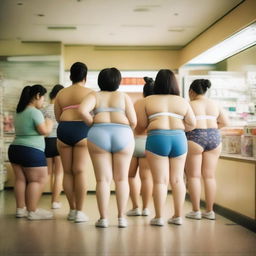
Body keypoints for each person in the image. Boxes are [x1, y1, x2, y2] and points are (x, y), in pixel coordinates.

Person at [136, 69, 196, 226]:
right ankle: (178, 216)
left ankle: (159, 217)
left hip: (157, 138)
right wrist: (178, 128)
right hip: (179, 138)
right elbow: (192, 124)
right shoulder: (182, 101)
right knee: (177, 179)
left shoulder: (147, 101)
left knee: (160, 181)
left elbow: (141, 126)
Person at [79, 67, 137, 228]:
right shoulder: (124, 96)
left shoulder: (94, 95)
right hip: (123, 134)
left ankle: (103, 219)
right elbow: (134, 121)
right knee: (122, 179)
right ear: (118, 81)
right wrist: (125, 128)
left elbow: (82, 110)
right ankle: (121, 218)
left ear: (100, 80)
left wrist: (92, 123)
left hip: (99, 133)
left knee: (102, 180)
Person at [185, 79, 229, 220]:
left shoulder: (189, 104)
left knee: (193, 176)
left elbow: (183, 123)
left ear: (191, 91)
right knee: (209, 176)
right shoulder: (214, 104)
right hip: (214, 137)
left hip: (194, 136)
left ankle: (196, 211)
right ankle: (210, 211)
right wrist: (212, 130)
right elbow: (225, 122)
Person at [54, 62, 92, 223]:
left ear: (71, 76)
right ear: (85, 76)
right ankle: (80, 212)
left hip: (64, 129)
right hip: (82, 129)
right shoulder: (90, 92)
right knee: (80, 171)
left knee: (68, 171)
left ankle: (72, 210)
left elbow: (57, 117)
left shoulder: (61, 93)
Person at [8, 84, 54, 220]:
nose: (43, 101)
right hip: (31, 150)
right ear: (37, 96)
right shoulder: (35, 112)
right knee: (38, 180)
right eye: (43, 98)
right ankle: (32, 211)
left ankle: (20, 209)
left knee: (20, 179)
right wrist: (49, 123)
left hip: (15, 148)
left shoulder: (18, 112)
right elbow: (44, 131)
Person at [126, 77, 154, 217]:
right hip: (148, 142)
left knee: (130, 177)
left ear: (143, 92)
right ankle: (146, 208)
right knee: (146, 178)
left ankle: (135, 207)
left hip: (133, 141)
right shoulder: (156, 105)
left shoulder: (137, 103)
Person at [43, 84, 64, 209]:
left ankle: (36, 197)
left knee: (48, 173)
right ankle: (55, 202)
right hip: (59, 141)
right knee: (59, 174)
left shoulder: (44, 109)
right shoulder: (61, 109)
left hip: (46, 142)